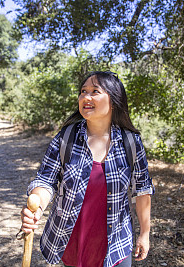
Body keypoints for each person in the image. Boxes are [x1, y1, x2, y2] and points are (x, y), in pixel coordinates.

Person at [20, 71, 154, 267]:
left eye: (95, 91)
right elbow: (46, 180)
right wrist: (37, 208)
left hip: (116, 244)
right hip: (73, 242)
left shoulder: (130, 142)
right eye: (83, 91)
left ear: (114, 101)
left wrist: (144, 233)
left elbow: (142, 190)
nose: (86, 97)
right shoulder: (66, 137)